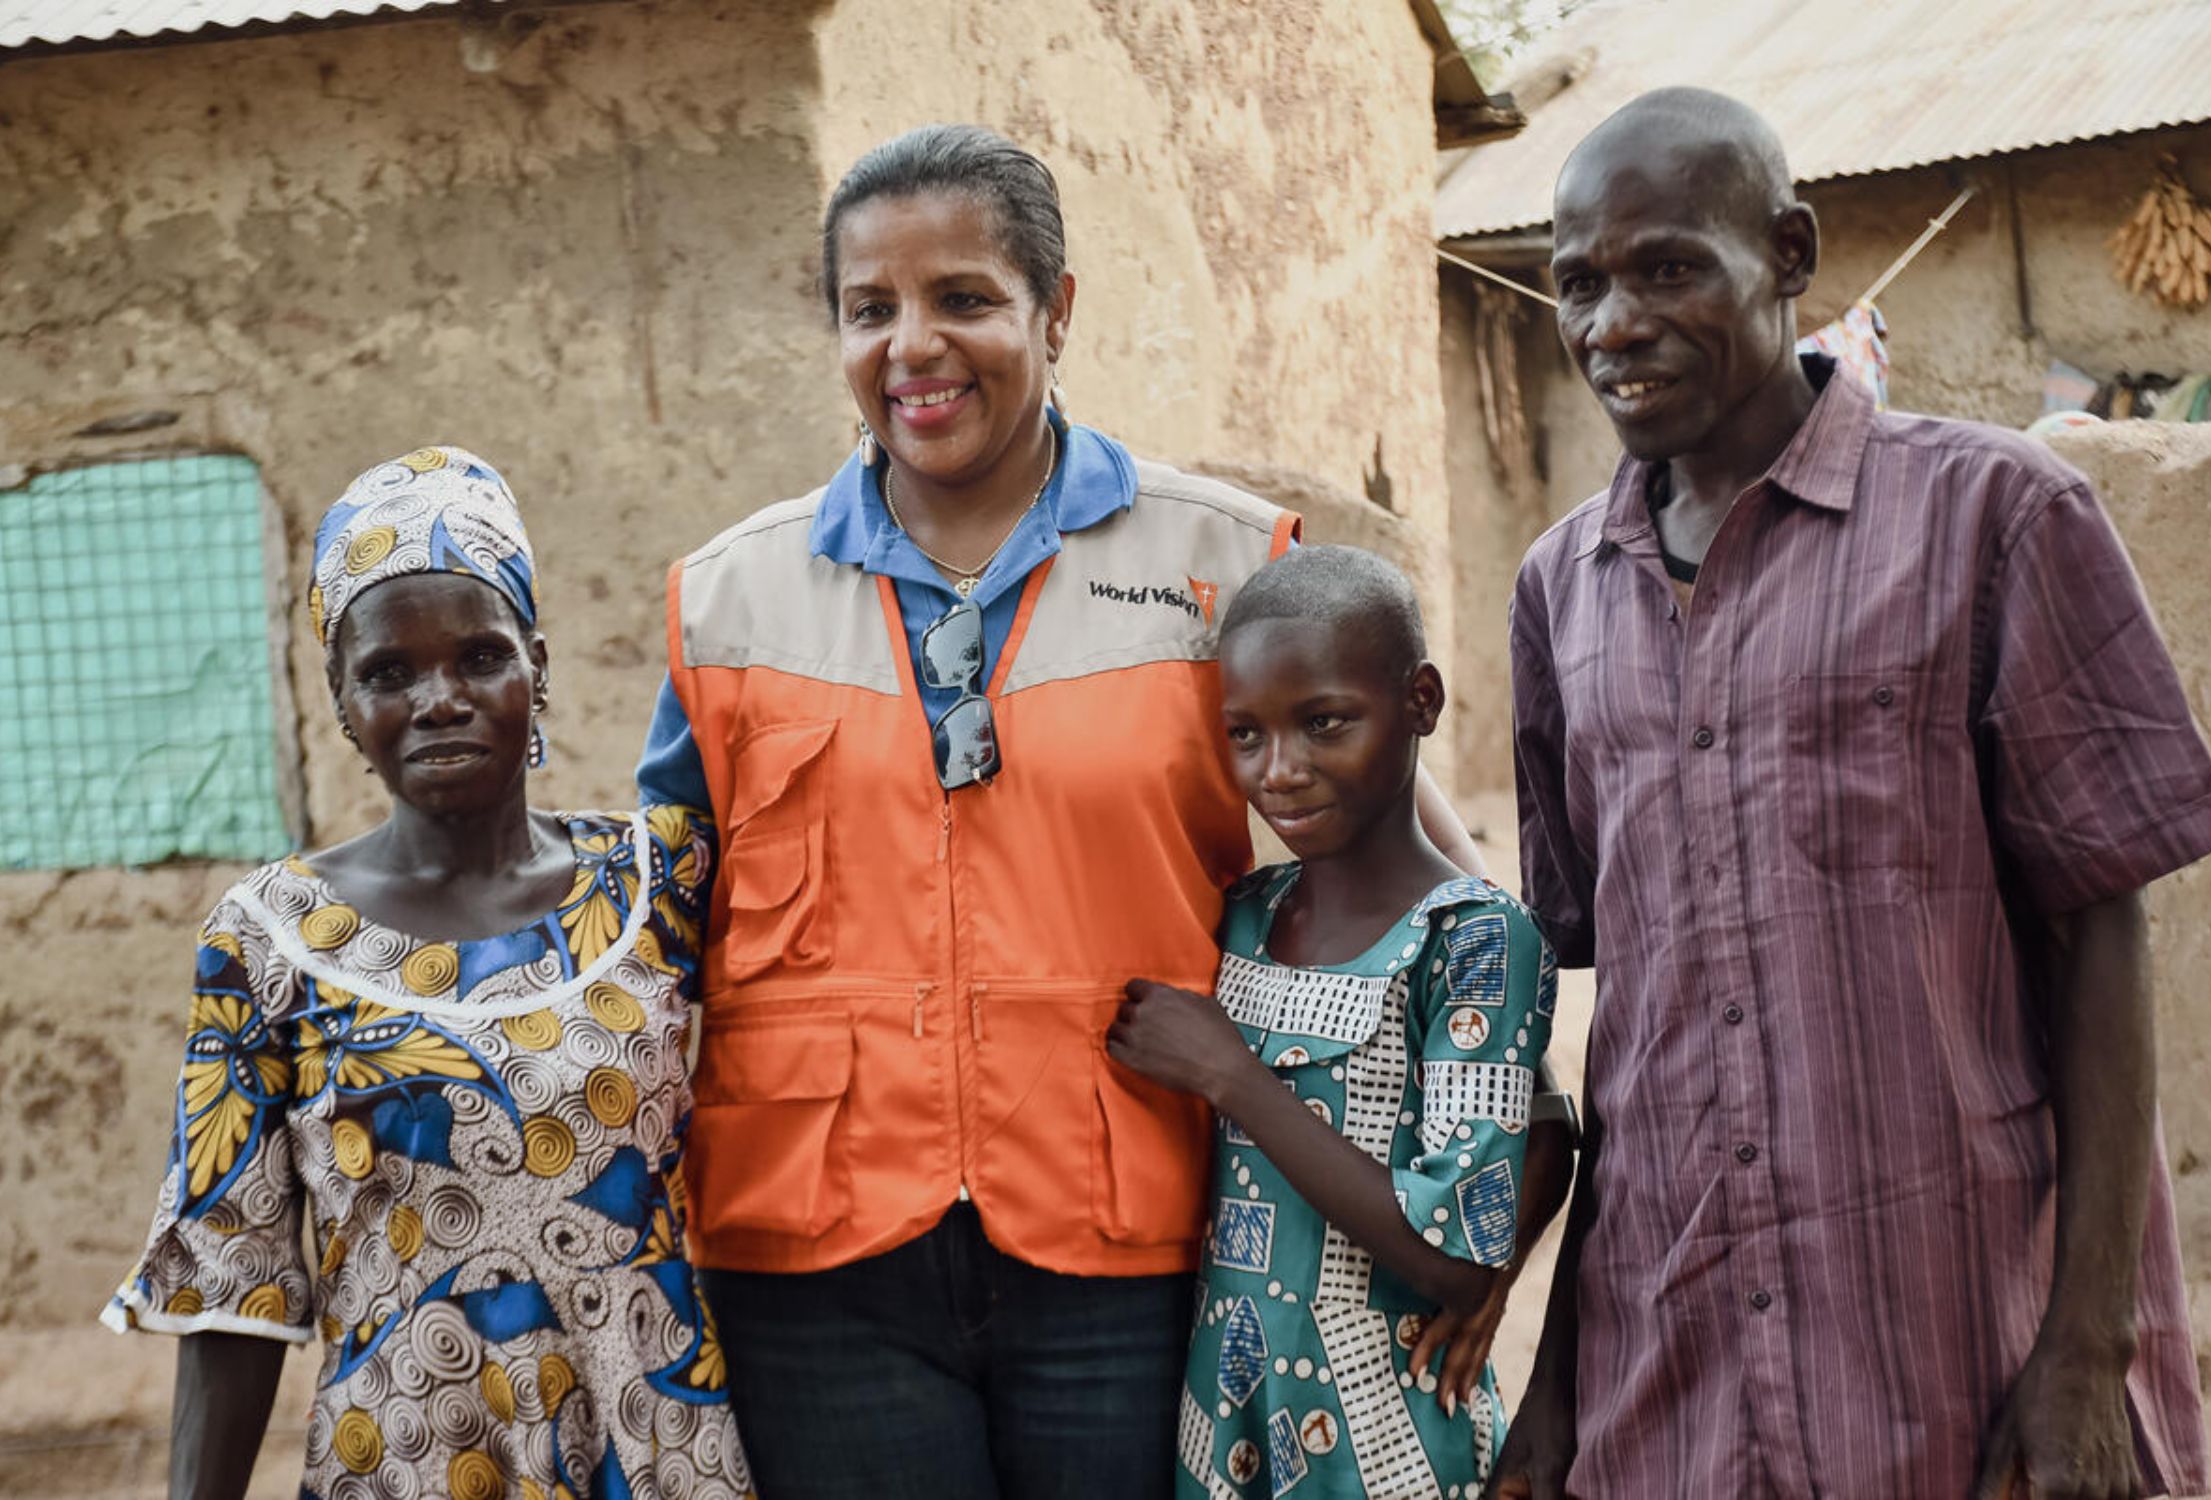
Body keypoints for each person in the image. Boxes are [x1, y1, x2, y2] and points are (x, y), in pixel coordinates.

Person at [638, 124, 1569, 1498]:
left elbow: (1439, 907)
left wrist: (1505, 1194)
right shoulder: (728, 600)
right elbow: (644, 954)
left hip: (1131, 1235)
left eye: (964, 299)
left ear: (1055, 310)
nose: (913, 347)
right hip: (815, 1263)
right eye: (868, 308)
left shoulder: (1218, 563)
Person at [1497, 87, 2211, 1499]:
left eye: (1667, 268)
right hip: (1675, 1359)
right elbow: (1628, 1029)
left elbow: (2098, 937)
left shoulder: (1997, 518)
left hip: (1948, 1334)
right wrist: (1556, 1378)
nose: (1611, 326)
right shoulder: (1554, 593)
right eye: (1576, 284)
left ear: (1788, 253)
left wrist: (2088, 1354)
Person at [105, 447, 754, 1500]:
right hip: (404, 1455)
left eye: (479, 656)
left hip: (654, 1449)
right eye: (388, 672)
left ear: (537, 667)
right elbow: (238, 1284)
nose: (439, 699)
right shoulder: (270, 939)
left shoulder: (661, 880)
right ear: (341, 702)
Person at [1109, 545, 1563, 1499]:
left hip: (1391, 1428)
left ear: (1421, 704)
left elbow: (1452, 1259)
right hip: (1223, 1412)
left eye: (1324, 724)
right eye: (1245, 735)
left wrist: (1235, 1079)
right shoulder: (1242, 913)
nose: (1280, 771)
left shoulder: (1475, 938)